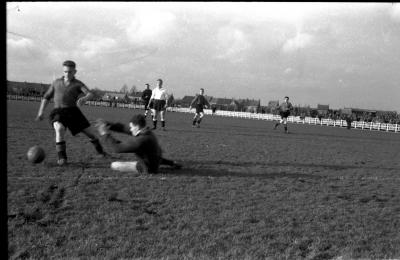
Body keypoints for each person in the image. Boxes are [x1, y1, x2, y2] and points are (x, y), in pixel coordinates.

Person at [35, 60, 108, 165]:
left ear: (75, 71)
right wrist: (40, 112)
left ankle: (101, 152)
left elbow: (90, 94)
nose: (67, 74)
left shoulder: (78, 84)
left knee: (91, 134)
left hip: (73, 112)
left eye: (70, 72)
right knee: (59, 129)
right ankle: (62, 158)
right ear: (63, 71)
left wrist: (84, 98)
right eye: (65, 71)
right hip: (58, 112)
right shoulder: (56, 83)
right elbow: (46, 97)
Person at [95, 114, 182, 174]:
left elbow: (116, 148)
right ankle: (172, 163)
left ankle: (164, 164)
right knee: (150, 154)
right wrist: (108, 124)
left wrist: (104, 133)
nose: (130, 129)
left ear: (137, 126)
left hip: (147, 169)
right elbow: (123, 128)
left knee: (114, 165)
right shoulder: (147, 132)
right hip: (155, 161)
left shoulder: (141, 140)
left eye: (132, 127)